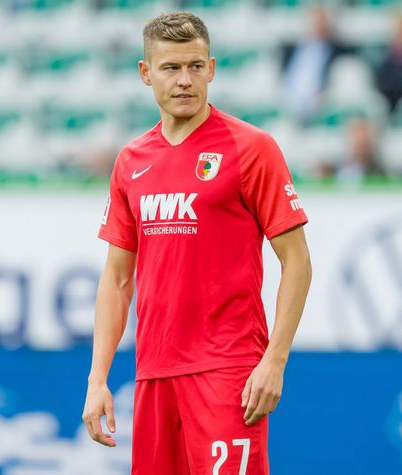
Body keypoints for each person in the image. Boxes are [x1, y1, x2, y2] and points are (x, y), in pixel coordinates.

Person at [82, 12, 312, 475]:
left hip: (229, 372)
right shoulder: (131, 161)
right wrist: (98, 378)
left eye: (195, 66)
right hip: (153, 375)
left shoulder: (251, 148)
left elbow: (298, 262)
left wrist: (274, 362)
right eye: (170, 68)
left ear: (212, 68)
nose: (185, 80)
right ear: (146, 74)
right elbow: (118, 278)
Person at [279, 6, 353, 125]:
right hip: (290, 104)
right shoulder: (289, 49)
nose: (319, 25)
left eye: (322, 21)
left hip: (323, 105)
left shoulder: (340, 51)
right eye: (315, 20)